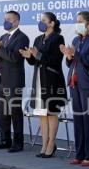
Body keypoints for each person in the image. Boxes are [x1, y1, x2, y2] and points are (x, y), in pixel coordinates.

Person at [20, 12, 67, 158]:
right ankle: (44, 143)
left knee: (51, 112)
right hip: (39, 79)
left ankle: (51, 143)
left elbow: (55, 60)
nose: (41, 23)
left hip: (52, 80)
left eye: (44, 20)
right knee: (41, 113)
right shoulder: (37, 38)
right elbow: (35, 61)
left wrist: (38, 54)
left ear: (52, 23)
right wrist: (29, 57)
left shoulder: (58, 38)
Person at [60, 11, 89, 166]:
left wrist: (75, 54)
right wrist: (68, 56)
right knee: (78, 120)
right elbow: (71, 63)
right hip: (75, 84)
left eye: (80, 21)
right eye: (76, 21)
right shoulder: (76, 40)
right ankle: (79, 153)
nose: (77, 24)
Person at [0, 11, 29, 153]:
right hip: (1, 80)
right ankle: (5, 140)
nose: (6, 21)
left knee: (15, 112)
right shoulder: (3, 37)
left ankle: (18, 143)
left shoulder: (22, 38)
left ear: (17, 22)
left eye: (9, 19)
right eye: (5, 19)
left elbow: (14, 58)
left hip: (14, 81)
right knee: (2, 113)